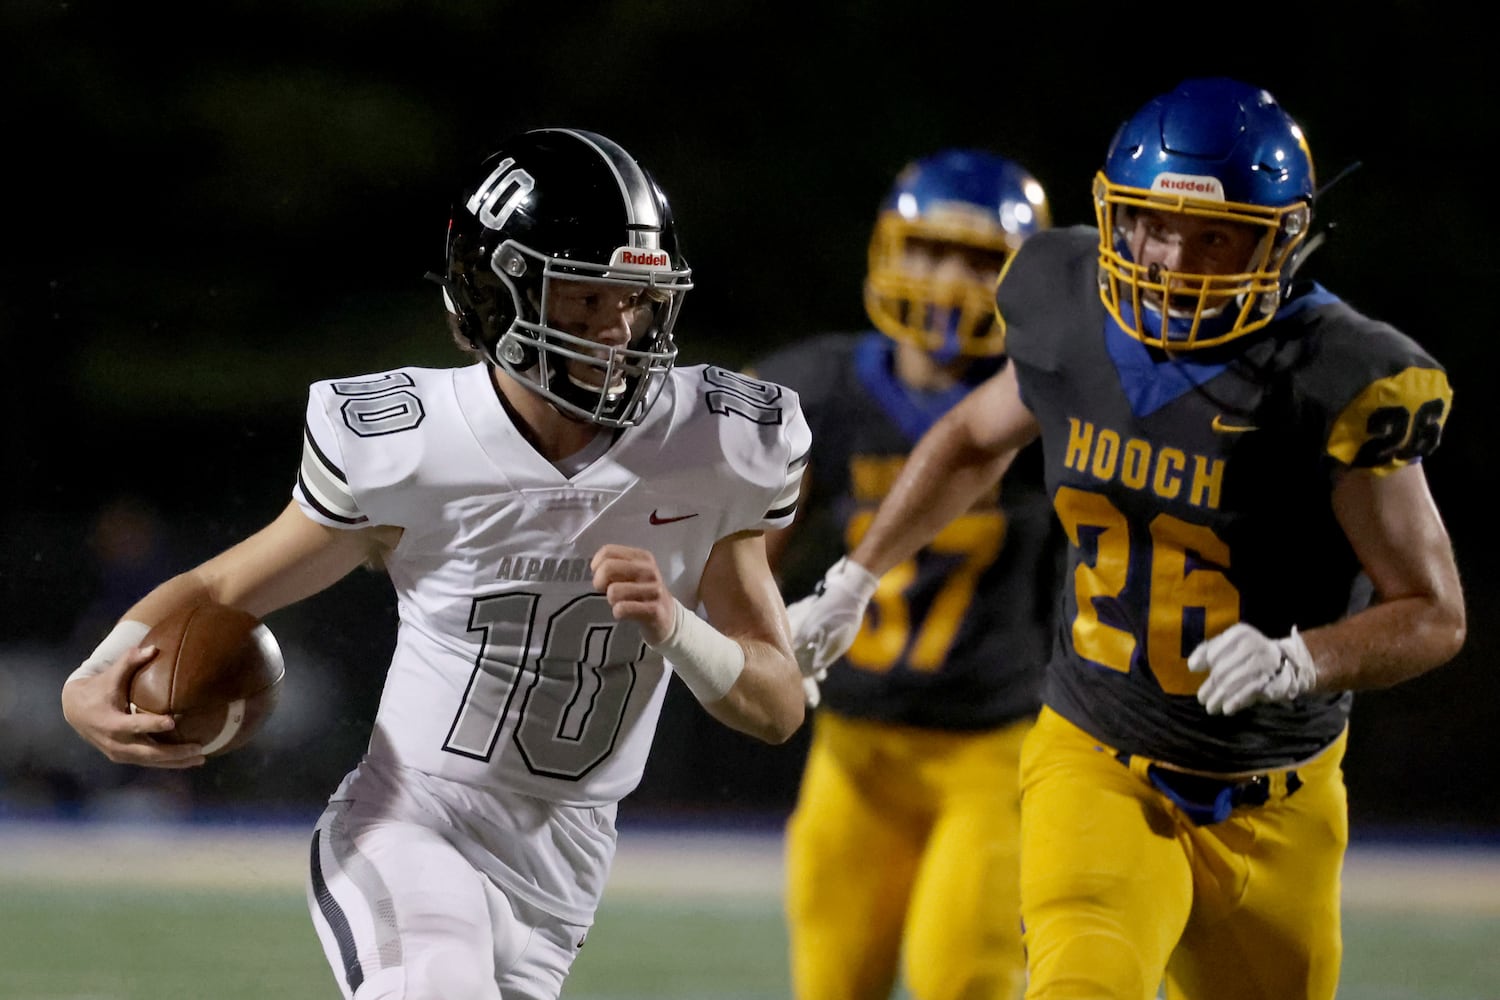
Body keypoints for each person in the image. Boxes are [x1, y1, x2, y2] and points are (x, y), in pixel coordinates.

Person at [60, 127, 810, 1000]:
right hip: (413, 821)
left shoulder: (717, 445)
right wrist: (97, 671)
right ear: (496, 293)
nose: (619, 325)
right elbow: (225, 588)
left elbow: (778, 707)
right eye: (585, 294)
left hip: (566, 859)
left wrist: (681, 630)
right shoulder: (416, 444)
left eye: (638, 298)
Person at [787, 78, 1466, 1000]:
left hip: (1282, 790)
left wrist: (1304, 659)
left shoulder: (1337, 375)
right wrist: (855, 577)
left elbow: (1432, 614)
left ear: (1282, 240)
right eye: (1152, 225)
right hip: (1097, 758)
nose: (1173, 260)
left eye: (1215, 234)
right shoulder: (1070, 304)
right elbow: (971, 440)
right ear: (1114, 214)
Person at [748, 149, 1059, 1000]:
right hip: (854, 749)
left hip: (995, 751)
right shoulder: (818, 388)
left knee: (965, 979)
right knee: (832, 984)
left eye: (979, 259)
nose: (949, 278)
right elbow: (738, 564)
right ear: (889, 248)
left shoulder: (1045, 400)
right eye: (929, 249)